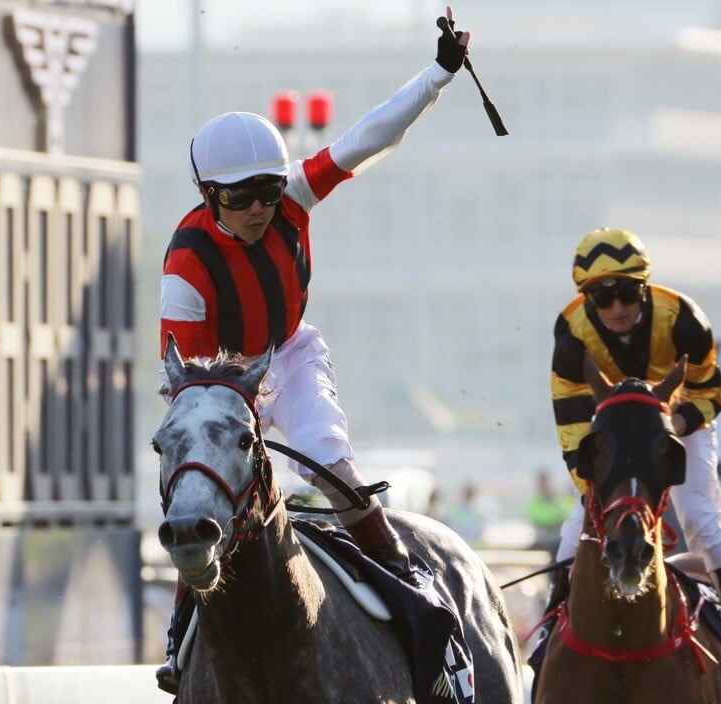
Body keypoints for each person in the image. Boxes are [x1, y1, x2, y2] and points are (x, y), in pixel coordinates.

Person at [154, 8, 472, 694]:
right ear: (209, 195)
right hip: (210, 382)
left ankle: (409, 578)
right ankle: (182, 635)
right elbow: (195, 388)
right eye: (240, 197)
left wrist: (440, 75)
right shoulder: (185, 271)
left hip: (287, 349)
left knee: (328, 460)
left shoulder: (293, 194)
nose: (261, 207)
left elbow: (369, 136)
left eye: (268, 190)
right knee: (207, 476)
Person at [542, 226, 721, 672]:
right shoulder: (571, 334)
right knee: (577, 526)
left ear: (644, 288)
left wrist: (671, 427)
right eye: (602, 297)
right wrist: (591, 491)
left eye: (627, 293)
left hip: (677, 420)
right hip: (614, 426)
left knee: (700, 512)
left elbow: (710, 394)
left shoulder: (684, 319)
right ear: (587, 300)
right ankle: (550, 631)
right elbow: (573, 429)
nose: (616, 308)